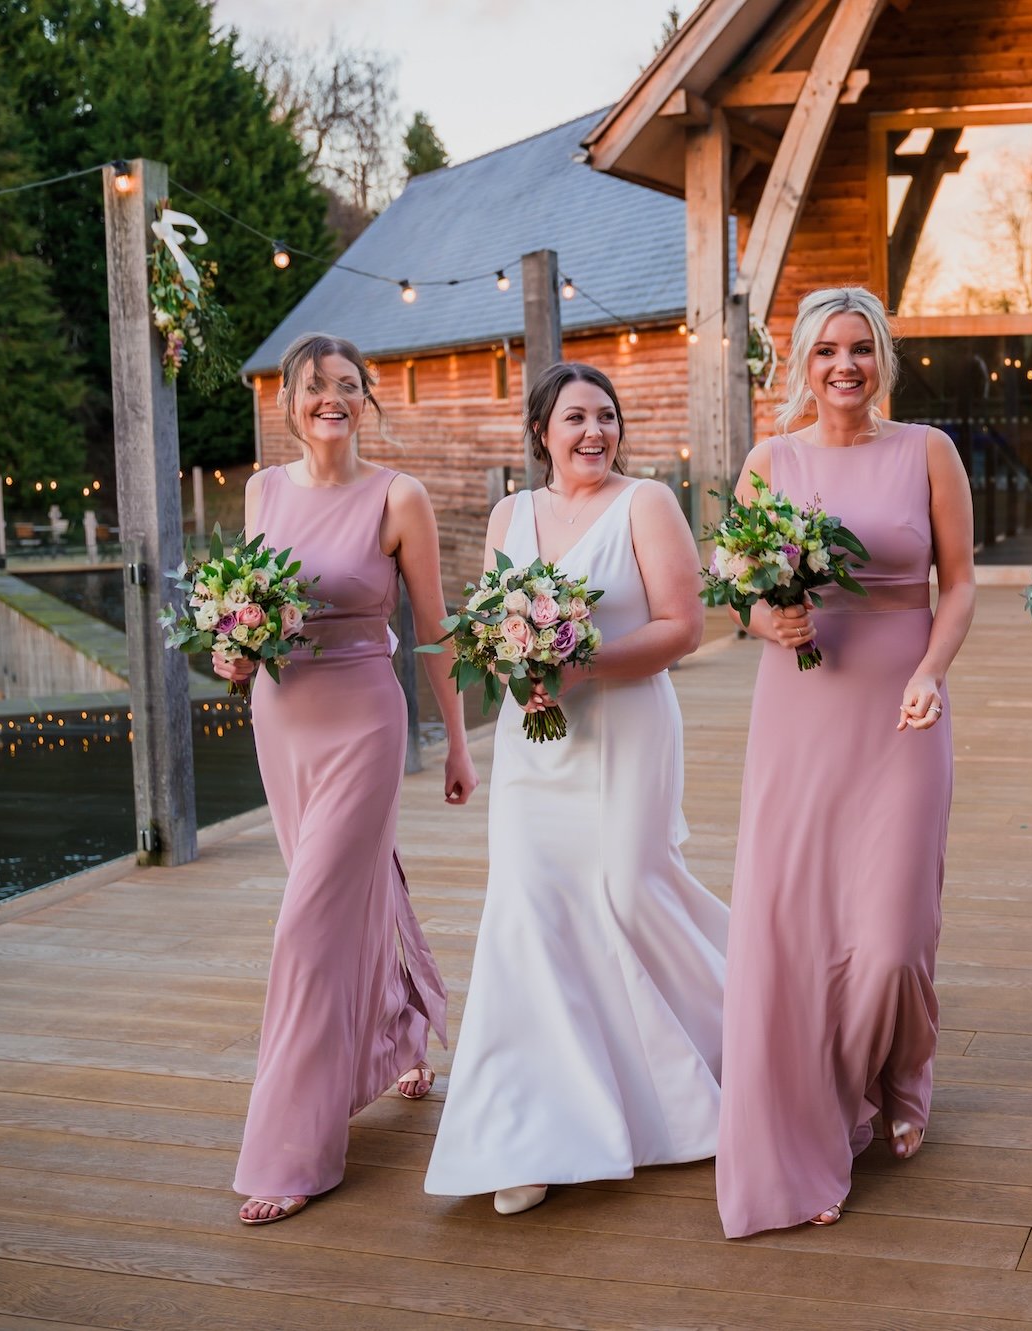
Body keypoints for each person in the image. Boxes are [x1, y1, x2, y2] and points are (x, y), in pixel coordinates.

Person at [424, 362, 728, 1216]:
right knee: (528, 913)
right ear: (541, 433)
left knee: (631, 893)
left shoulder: (648, 504)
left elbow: (685, 626)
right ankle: (531, 1133)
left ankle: (739, 1042)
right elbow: (488, 623)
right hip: (533, 740)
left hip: (625, 730)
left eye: (606, 416)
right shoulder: (507, 516)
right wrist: (516, 662)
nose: (594, 432)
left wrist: (579, 661)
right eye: (575, 418)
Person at [715, 286, 976, 1236]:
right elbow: (736, 587)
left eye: (860, 348)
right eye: (826, 350)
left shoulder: (928, 452)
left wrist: (933, 671)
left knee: (895, 932)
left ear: (883, 359)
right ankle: (834, 1103)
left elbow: (959, 585)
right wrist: (763, 616)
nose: (844, 366)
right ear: (802, 363)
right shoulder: (769, 460)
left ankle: (902, 1064)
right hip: (802, 709)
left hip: (904, 710)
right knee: (800, 924)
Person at [222, 332, 477, 1225]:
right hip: (282, 721)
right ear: (287, 403)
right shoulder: (261, 491)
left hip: (366, 721)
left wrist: (455, 741)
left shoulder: (398, 496)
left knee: (306, 927)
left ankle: (294, 1149)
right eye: (311, 386)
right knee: (344, 899)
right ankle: (404, 1027)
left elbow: (436, 631)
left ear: (365, 399)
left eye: (344, 385)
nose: (329, 397)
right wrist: (232, 651)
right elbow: (249, 608)